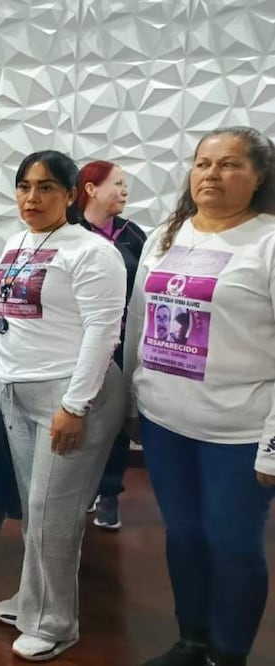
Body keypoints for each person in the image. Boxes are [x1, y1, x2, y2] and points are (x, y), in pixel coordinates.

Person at [124, 127, 275, 666]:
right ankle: (192, 640)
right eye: (203, 163)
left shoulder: (267, 241)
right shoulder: (169, 233)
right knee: (184, 536)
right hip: (166, 423)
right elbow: (138, 324)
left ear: (258, 177)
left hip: (240, 431)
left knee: (232, 545)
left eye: (230, 164)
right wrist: (131, 403)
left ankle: (228, 655)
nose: (212, 174)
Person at [0, 151, 126, 662]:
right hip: (18, 389)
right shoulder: (16, 242)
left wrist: (76, 404)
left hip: (71, 394)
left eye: (46, 187)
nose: (32, 197)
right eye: (24, 186)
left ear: (72, 194)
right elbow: (1, 317)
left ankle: (55, 623)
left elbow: (102, 332)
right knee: (36, 509)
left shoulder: (91, 251)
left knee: (53, 514)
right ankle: (33, 600)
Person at [75, 159, 148, 531]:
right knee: (79, 415)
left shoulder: (134, 235)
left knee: (115, 420)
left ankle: (109, 493)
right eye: (117, 184)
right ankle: (82, 489)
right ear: (90, 188)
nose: (124, 191)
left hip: (121, 344)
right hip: (73, 343)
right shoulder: (68, 232)